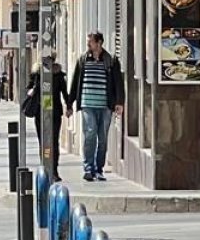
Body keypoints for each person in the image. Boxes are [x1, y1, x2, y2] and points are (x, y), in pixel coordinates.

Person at [68, 32, 125, 182]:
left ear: (99, 43)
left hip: (105, 106)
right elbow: (75, 83)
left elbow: (118, 82)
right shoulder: (83, 60)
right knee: (90, 134)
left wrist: (119, 102)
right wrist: (69, 104)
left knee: (103, 138)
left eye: (91, 42)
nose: (88, 45)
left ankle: (99, 169)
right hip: (87, 105)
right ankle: (88, 168)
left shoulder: (111, 60)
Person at [20, 50, 70, 182]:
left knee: (52, 141)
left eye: (49, 60)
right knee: (44, 142)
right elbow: (29, 90)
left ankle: (53, 169)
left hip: (53, 113)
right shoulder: (37, 74)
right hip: (40, 112)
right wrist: (35, 87)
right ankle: (45, 168)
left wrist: (69, 106)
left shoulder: (58, 75)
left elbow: (64, 92)